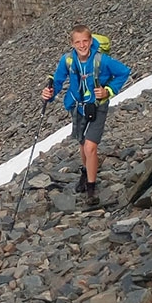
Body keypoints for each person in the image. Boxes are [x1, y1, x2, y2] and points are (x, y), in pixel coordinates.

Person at [42, 25, 131, 207]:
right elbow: (57, 82)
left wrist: (108, 91)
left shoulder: (102, 60)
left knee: (90, 147)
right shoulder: (67, 60)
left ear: (90, 41)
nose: (82, 45)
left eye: (85, 41)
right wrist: (49, 94)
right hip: (77, 107)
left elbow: (124, 72)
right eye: (78, 42)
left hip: (97, 107)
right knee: (83, 145)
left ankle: (91, 189)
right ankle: (85, 172)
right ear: (72, 44)